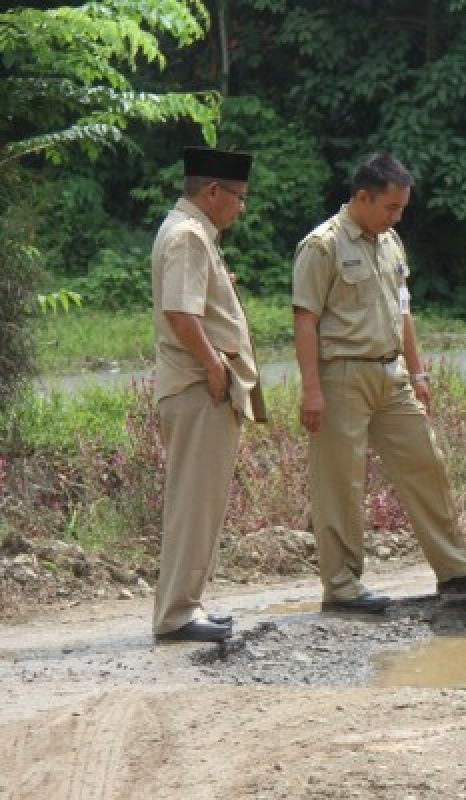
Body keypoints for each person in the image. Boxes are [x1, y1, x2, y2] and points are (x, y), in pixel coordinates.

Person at [292, 152, 466, 613]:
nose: (397, 216)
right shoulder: (322, 246)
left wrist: (419, 371)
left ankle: (455, 572)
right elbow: (305, 319)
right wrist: (312, 389)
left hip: (392, 376)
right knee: (341, 484)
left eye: (402, 208)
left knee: (426, 465)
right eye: (391, 207)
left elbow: (403, 309)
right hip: (342, 375)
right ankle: (343, 586)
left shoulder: (391, 242)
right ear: (363, 198)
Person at [151, 146, 261, 643]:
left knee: (203, 500)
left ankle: (188, 605)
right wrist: (214, 366)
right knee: (194, 502)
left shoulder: (194, 233)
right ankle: (177, 615)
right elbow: (181, 311)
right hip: (199, 387)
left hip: (202, 387)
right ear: (212, 191)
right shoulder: (189, 237)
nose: (242, 207)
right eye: (238, 197)